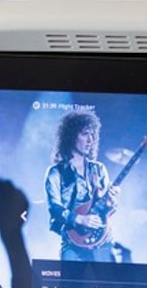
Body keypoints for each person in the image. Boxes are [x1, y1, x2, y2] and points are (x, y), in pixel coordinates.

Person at [45, 109, 119, 262]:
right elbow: (54, 208)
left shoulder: (99, 169)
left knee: (108, 286)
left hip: (102, 242)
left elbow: (110, 209)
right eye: (85, 134)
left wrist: (111, 202)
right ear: (71, 136)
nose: (90, 140)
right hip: (72, 244)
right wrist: (79, 219)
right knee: (69, 286)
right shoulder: (55, 173)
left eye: (92, 135)